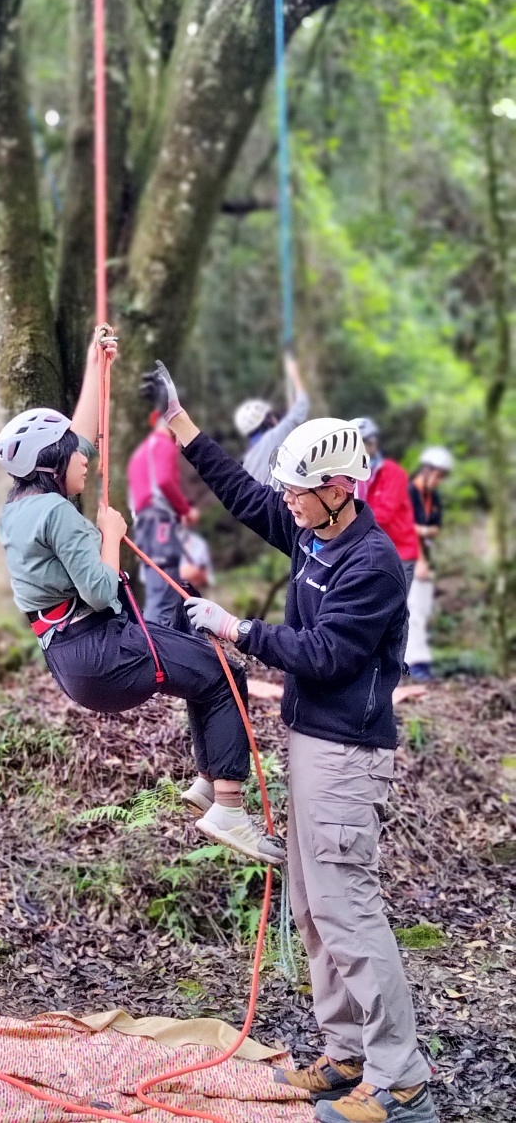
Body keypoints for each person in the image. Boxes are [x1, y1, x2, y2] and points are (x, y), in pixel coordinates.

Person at [148, 361, 435, 1123]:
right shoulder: (313, 531)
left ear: (340, 488)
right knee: (311, 906)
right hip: (311, 742)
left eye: (299, 491)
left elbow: (330, 655)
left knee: (348, 908)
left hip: (348, 754)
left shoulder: (371, 563)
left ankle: (400, 1076)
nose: (287, 502)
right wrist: (183, 426)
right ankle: (345, 1055)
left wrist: (238, 628)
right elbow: (245, 497)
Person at [0, 330, 282, 865]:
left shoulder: (19, 509)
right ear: (50, 466)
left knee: (201, 657)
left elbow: (77, 437)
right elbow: (103, 591)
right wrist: (110, 533)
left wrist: (94, 366)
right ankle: (228, 807)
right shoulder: (59, 512)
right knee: (224, 672)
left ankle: (207, 780)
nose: (86, 459)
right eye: (71, 456)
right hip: (103, 649)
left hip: (73, 656)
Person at [126, 373, 204, 623]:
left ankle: (181, 645)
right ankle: (158, 651)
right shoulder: (163, 445)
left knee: (168, 590)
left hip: (145, 525)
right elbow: (164, 482)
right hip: (158, 523)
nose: (181, 442)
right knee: (163, 596)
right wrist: (184, 511)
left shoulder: (141, 453)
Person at [353, 418, 419, 591]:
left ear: (372, 443)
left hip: (399, 553)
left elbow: (384, 514)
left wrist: (347, 523)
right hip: (370, 553)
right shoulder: (357, 475)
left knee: (394, 610)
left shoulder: (392, 472)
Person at [404, 446, 453, 682]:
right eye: (437, 474)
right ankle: (416, 662)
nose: (439, 480)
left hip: (423, 555)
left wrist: (422, 530)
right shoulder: (408, 492)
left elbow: (434, 528)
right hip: (407, 556)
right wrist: (420, 559)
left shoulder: (434, 498)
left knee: (420, 608)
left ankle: (409, 659)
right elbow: (405, 527)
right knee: (414, 610)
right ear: (426, 470)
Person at [235, 353, 309, 485]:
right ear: (267, 420)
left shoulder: (247, 462)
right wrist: (295, 374)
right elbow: (301, 405)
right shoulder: (274, 436)